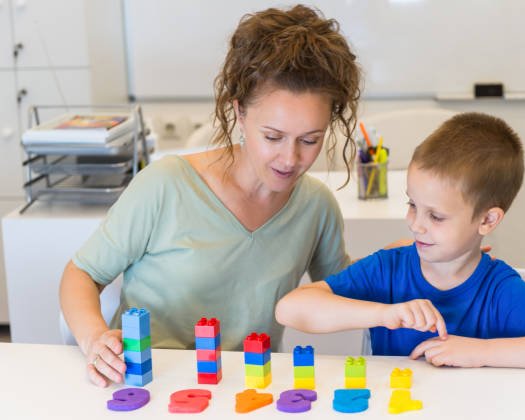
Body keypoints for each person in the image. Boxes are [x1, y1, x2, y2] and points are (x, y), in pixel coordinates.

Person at [59, 4, 361, 387]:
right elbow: (82, 273)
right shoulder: (165, 186)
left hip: (247, 391)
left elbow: (343, 287)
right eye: (273, 137)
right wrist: (95, 338)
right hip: (149, 387)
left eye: (310, 140)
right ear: (238, 112)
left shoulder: (316, 206)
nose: (290, 158)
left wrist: (412, 263)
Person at [276, 112, 525, 368]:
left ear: (487, 220)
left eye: (435, 216)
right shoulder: (389, 269)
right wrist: (383, 314)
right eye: (412, 205)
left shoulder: (497, 289)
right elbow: (290, 309)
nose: (416, 225)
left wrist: (479, 352)